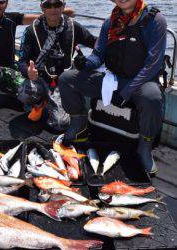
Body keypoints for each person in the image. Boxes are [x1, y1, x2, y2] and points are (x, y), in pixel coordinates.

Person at [58, 0, 167, 174]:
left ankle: (145, 146)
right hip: (113, 79)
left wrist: (127, 92)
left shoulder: (155, 20)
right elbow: (98, 55)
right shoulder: (110, 22)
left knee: (152, 97)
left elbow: (153, 64)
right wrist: (85, 63)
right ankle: (79, 124)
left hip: (142, 81)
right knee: (67, 79)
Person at [0, 0, 74, 113]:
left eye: (1, 1)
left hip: (10, 67)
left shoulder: (12, 18)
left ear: (6, 4)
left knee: (29, 90)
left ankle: (14, 90)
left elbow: (39, 17)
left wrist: (59, 11)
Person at [18, 0, 96, 131]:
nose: (53, 9)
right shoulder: (31, 31)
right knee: (23, 93)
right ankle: (39, 103)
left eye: (57, 4)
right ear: (42, 7)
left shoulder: (74, 27)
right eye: (48, 5)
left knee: (61, 124)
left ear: (63, 6)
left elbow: (96, 43)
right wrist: (28, 71)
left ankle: (50, 104)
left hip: (62, 80)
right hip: (40, 77)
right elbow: (21, 62)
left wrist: (90, 60)